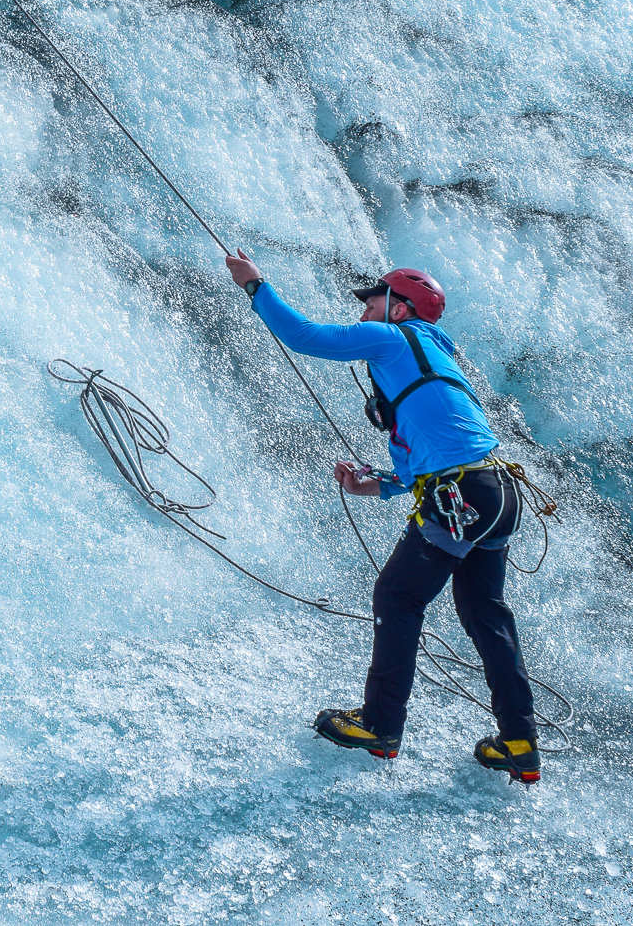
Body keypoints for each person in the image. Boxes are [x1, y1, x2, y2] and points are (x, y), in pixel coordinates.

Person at [222, 250, 543, 785]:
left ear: (400, 309)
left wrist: (255, 285)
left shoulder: (395, 339)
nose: (365, 307)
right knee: (487, 617)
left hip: (460, 494)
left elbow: (304, 336)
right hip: (495, 494)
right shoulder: (430, 364)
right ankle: (519, 742)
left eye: (373, 299)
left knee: (398, 597)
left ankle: (380, 725)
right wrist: (363, 484)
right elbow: (411, 470)